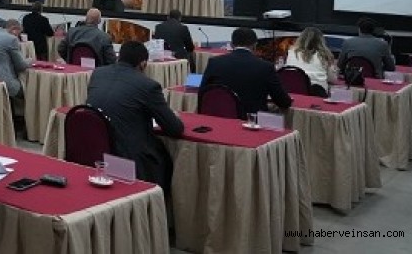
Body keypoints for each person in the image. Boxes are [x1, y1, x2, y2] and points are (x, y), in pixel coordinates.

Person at [85, 41, 183, 189]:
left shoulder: (98, 74)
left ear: (119, 57)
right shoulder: (148, 86)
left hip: (94, 151)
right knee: (166, 160)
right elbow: (174, 129)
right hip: (129, 160)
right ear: (143, 64)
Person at [201, 27, 291, 118]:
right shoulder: (266, 67)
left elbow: (203, 93)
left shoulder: (215, 63)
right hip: (252, 121)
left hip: (219, 118)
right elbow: (283, 102)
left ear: (232, 44)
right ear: (255, 45)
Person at [0, 20, 31, 97]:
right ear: (14, 29)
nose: (18, 36)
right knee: (31, 90)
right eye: (19, 33)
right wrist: (30, 60)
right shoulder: (12, 39)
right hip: (5, 82)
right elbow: (21, 66)